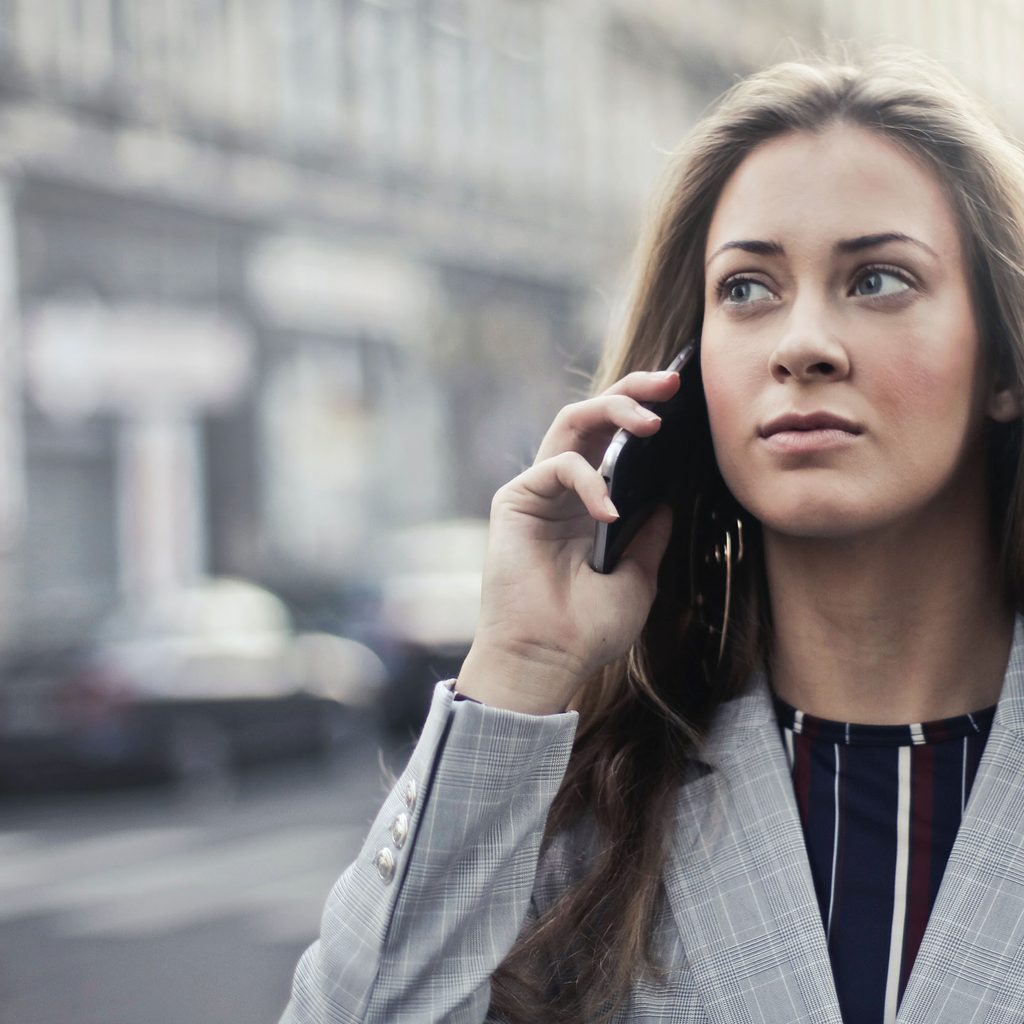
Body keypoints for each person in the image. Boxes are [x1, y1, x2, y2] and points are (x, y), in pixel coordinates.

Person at [280, 44, 1024, 1024]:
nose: (801, 343)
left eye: (878, 278)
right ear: (685, 381)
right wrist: (516, 664)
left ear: (1003, 360)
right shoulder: (592, 821)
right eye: (747, 290)